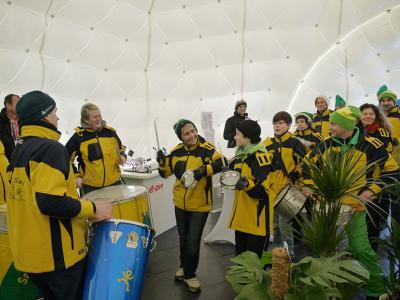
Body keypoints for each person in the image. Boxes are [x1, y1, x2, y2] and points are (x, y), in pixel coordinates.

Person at [7, 91, 113, 300]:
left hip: (30, 257)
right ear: (44, 116)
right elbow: (50, 202)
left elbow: (32, 194)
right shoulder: (50, 149)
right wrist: (92, 209)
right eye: (55, 112)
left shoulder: (19, 151)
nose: (58, 117)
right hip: (57, 258)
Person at [304, 106, 399, 299]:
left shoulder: (372, 145)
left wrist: (370, 191)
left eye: (333, 123)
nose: (328, 126)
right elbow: (307, 166)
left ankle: (376, 292)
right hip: (328, 209)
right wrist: (309, 187)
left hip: (356, 209)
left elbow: (392, 171)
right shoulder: (325, 145)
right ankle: (333, 291)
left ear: (347, 125)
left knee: (361, 250)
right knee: (327, 251)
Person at [157, 119, 224, 292]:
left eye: (193, 131)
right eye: (187, 133)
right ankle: (183, 266)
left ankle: (190, 275)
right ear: (180, 136)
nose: (192, 135)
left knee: (193, 242)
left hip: (200, 205)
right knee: (183, 238)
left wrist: (202, 171)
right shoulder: (175, 152)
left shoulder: (207, 149)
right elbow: (165, 174)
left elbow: (221, 163)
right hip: (180, 203)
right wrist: (161, 162)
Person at [227, 119, 275, 257]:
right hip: (242, 220)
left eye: (237, 134)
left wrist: (247, 185)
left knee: (255, 266)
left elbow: (263, 192)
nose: (234, 137)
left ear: (247, 137)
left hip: (257, 222)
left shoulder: (261, 158)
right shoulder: (240, 157)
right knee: (241, 261)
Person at [263, 111, 307, 257]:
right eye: (275, 123)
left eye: (281, 123)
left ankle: (289, 253)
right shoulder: (267, 143)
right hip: (271, 188)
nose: (277, 126)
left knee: (285, 223)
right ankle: (277, 252)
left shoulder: (295, 142)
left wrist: (297, 172)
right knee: (275, 222)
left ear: (288, 125)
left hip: (288, 188)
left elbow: (305, 162)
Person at [66, 103, 127, 194]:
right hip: (90, 188)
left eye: (99, 115)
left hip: (115, 184)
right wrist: (76, 177)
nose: (99, 119)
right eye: (95, 117)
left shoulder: (110, 133)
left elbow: (122, 149)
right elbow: (65, 159)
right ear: (86, 120)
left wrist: (123, 157)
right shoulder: (78, 138)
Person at [377, 87, 400, 163]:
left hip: (397, 157)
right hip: (380, 159)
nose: (386, 103)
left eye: (389, 100)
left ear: (394, 102)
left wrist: (397, 141)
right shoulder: (375, 117)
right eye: (383, 101)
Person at [0, 94, 20, 160]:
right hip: (5, 163)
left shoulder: (25, 121)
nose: (21, 106)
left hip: (23, 162)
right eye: (18, 103)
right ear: (8, 105)